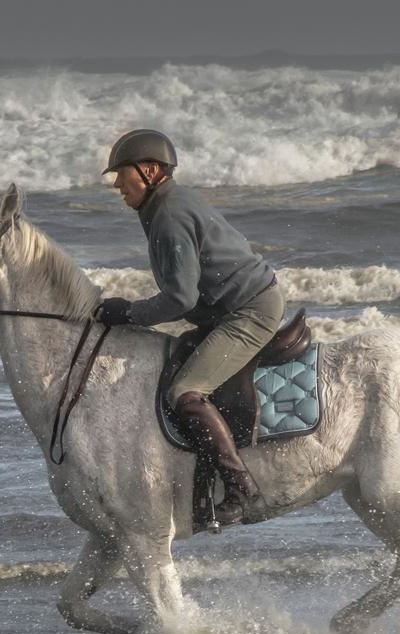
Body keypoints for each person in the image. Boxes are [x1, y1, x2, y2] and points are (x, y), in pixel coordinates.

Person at [95, 129, 283, 526]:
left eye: (121, 174)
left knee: (185, 390)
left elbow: (180, 299)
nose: (117, 184)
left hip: (248, 312)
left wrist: (129, 312)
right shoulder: (167, 202)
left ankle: (240, 488)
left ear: (148, 170)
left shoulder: (168, 213)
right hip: (226, 309)